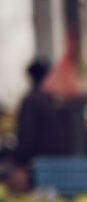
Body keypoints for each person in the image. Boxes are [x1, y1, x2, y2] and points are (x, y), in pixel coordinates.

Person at [10, 60, 66, 191]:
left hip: (37, 165)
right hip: (56, 163)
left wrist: (20, 163)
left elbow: (26, 136)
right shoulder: (53, 99)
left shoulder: (31, 100)